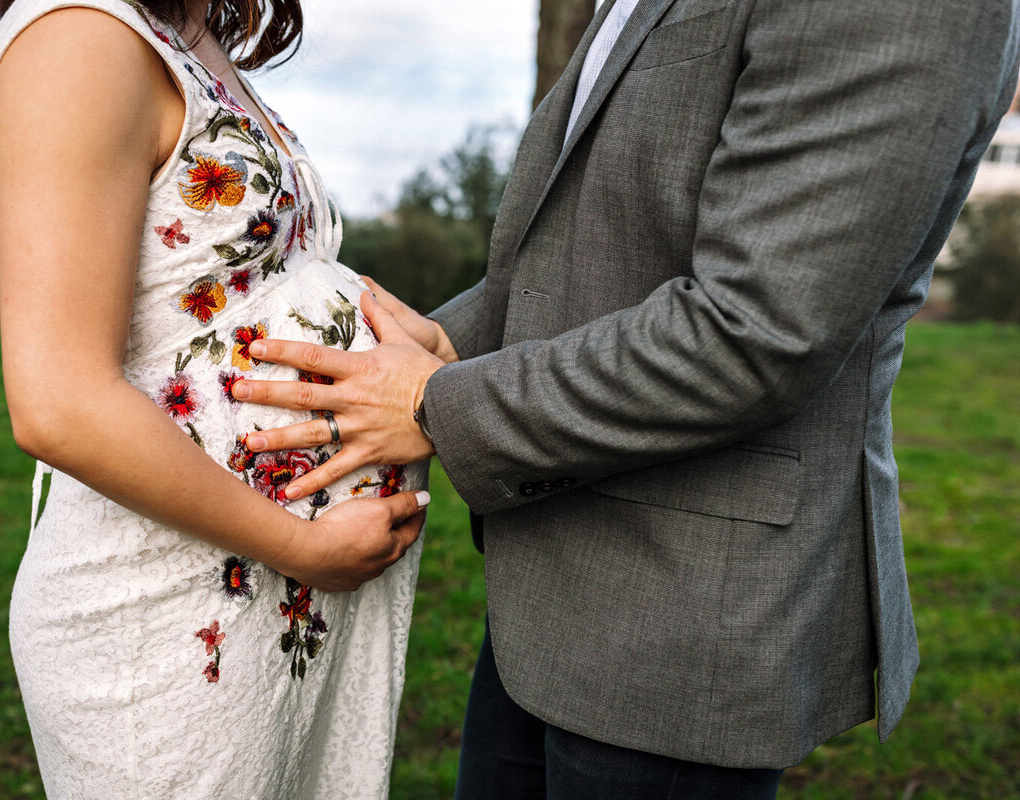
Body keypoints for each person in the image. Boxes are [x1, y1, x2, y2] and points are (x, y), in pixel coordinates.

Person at [231, 0, 1020, 796]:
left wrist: (438, 405)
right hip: (548, 591)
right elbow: (579, 260)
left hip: (681, 616)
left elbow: (755, 332)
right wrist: (407, 360)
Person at [0, 0, 429, 796]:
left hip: (268, 605)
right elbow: (57, 400)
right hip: (169, 613)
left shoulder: (184, 34)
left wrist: (414, 344)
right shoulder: (77, 35)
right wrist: (303, 548)